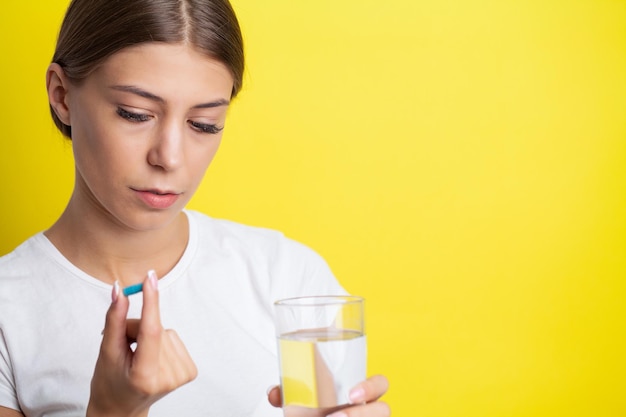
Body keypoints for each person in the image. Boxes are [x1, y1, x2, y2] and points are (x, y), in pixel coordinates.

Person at [0, 0, 390, 416]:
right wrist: (112, 410)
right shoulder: (10, 312)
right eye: (136, 115)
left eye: (204, 124)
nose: (170, 157)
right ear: (61, 96)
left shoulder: (288, 280)